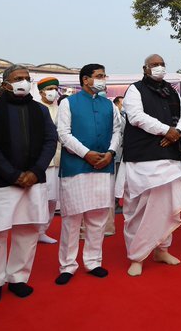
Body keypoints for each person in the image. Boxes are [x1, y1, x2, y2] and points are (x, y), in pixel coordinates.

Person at [0, 65, 57, 303]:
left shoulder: (40, 110)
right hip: (0, 181)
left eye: (26, 78)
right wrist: (12, 174)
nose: (23, 81)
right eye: (17, 78)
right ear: (5, 84)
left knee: (28, 231)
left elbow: (50, 140)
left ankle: (18, 278)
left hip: (34, 180)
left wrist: (34, 171)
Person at [118, 54, 181, 276]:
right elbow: (136, 117)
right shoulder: (135, 89)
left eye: (161, 64)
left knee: (165, 206)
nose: (159, 68)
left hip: (168, 156)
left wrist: (177, 131)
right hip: (141, 157)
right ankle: (137, 256)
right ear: (145, 68)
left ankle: (162, 250)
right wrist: (165, 129)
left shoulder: (171, 90)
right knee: (138, 210)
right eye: (154, 65)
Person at [55, 64, 122, 284]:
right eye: (99, 76)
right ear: (85, 80)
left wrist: (111, 153)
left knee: (98, 218)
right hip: (76, 167)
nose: (104, 79)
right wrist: (86, 154)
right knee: (72, 219)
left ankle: (94, 261)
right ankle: (67, 265)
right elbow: (63, 134)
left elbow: (116, 131)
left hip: (104, 166)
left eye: (104, 75)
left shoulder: (109, 105)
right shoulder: (68, 103)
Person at [35, 77, 62, 244]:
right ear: (41, 92)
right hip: (42, 161)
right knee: (39, 197)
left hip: (59, 159)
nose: (53, 92)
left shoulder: (62, 109)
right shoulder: (36, 109)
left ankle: (43, 231)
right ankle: (33, 230)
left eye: (55, 88)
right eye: (49, 88)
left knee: (53, 199)